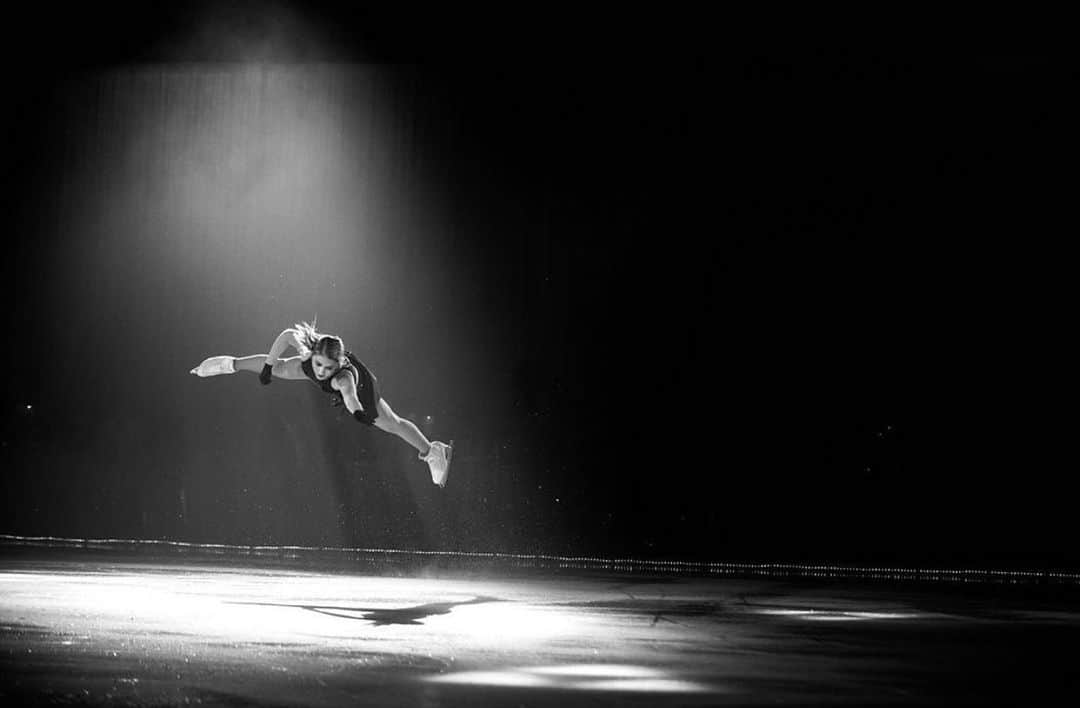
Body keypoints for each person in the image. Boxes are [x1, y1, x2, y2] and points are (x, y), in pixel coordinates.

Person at [190, 320, 452, 487]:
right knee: (282, 368)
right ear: (313, 353)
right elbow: (286, 336)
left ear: (337, 365)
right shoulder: (310, 355)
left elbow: (349, 395)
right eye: (318, 364)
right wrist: (269, 365)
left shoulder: (342, 378)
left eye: (327, 367)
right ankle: (229, 364)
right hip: (330, 369)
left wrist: (358, 412)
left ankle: (432, 451)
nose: (321, 371)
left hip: (363, 391)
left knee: (391, 423)